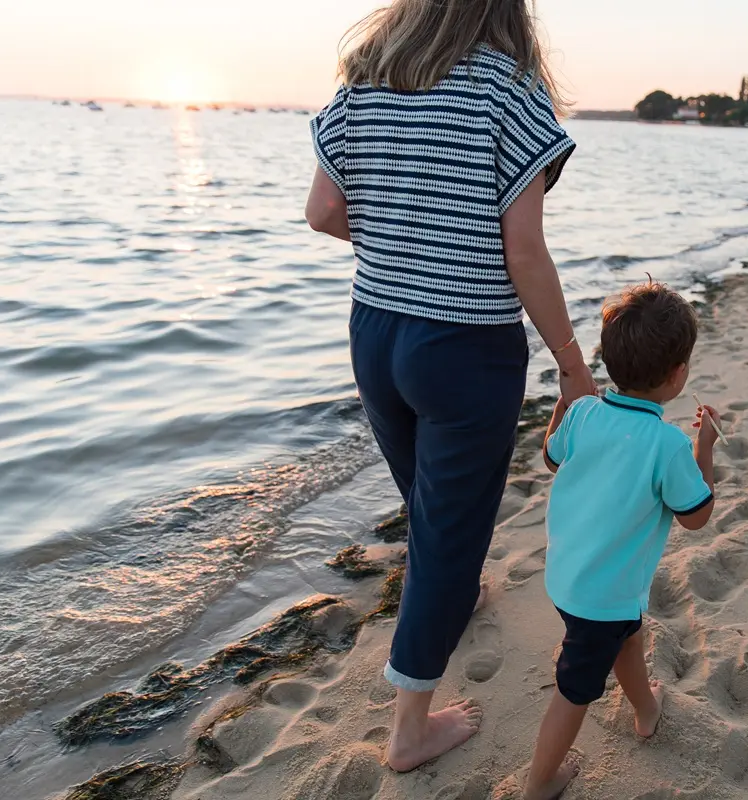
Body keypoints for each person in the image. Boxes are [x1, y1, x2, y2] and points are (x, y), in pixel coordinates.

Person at [304, 0, 596, 772]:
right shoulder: (509, 88)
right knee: (446, 535)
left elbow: (323, 210)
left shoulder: (369, 77)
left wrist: (402, 238)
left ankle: (457, 598)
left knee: (428, 508)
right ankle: (409, 730)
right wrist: (573, 367)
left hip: (376, 330)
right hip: (464, 344)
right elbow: (524, 251)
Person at [523, 281, 721, 799]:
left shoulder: (585, 412)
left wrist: (561, 410)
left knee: (628, 635)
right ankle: (539, 783)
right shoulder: (669, 445)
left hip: (570, 573)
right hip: (599, 595)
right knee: (574, 690)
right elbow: (696, 515)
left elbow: (552, 457)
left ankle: (646, 712)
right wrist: (705, 448)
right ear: (678, 376)